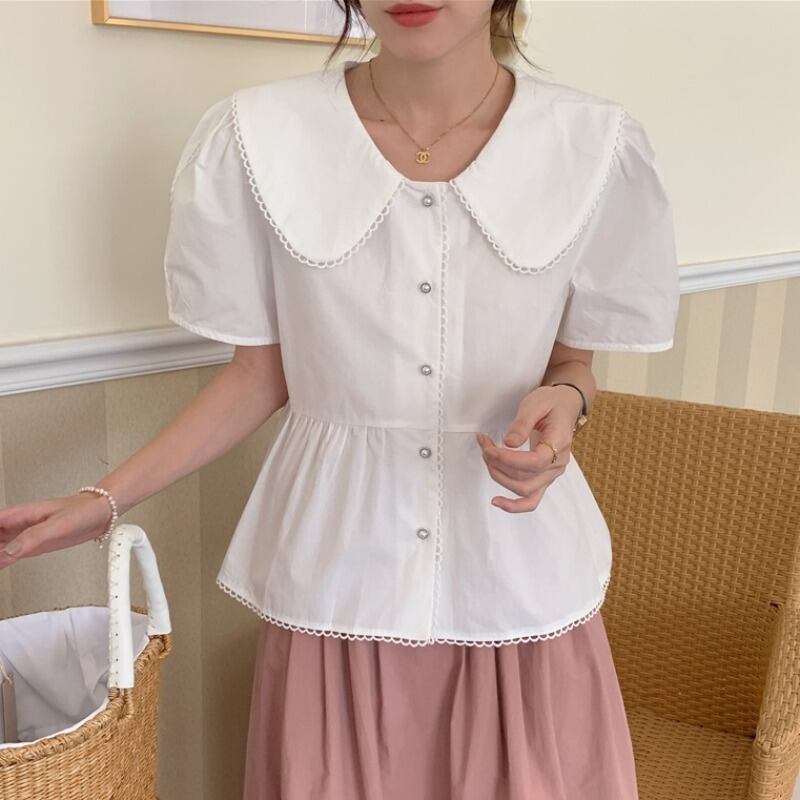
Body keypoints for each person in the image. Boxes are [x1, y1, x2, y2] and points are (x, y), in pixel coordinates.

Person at [0, 1, 681, 798]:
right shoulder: (260, 137)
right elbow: (260, 376)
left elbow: (573, 364)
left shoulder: (593, 144)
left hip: (518, 588)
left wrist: (567, 399)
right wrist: (102, 501)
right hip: (338, 579)